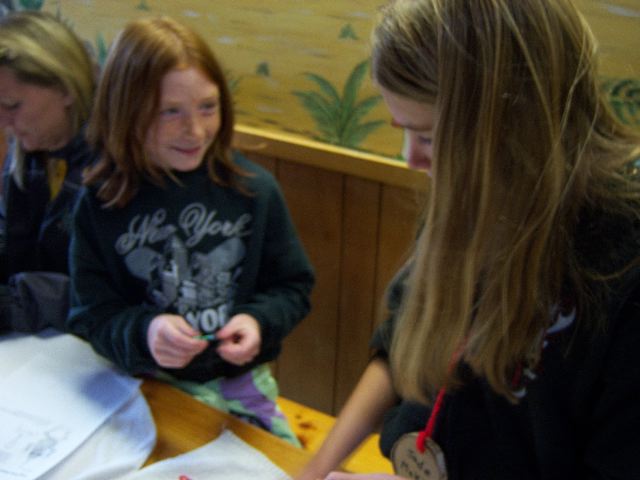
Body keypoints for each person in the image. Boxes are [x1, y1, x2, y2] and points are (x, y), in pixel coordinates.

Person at [297, 0, 640, 479]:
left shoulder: (622, 265)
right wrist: (316, 469)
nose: (411, 159)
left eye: (428, 137)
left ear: (515, 126)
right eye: (405, 131)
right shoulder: (474, 191)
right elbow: (399, 348)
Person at [66, 16, 314, 446]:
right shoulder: (100, 202)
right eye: (170, 112)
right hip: (142, 385)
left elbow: (293, 287)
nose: (195, 130)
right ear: (126, 111)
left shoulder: (255, 190)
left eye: (208, 107)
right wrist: (145, 332)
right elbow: (90, 315)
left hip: (241, 385)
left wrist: (257, 321)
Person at [0, 10, 96, 333]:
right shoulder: (29, 150)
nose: (3, 123)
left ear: (66, 89)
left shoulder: (115, 167)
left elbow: (100, 294)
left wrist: (8, 305)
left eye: (12, 105)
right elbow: (9, 237)